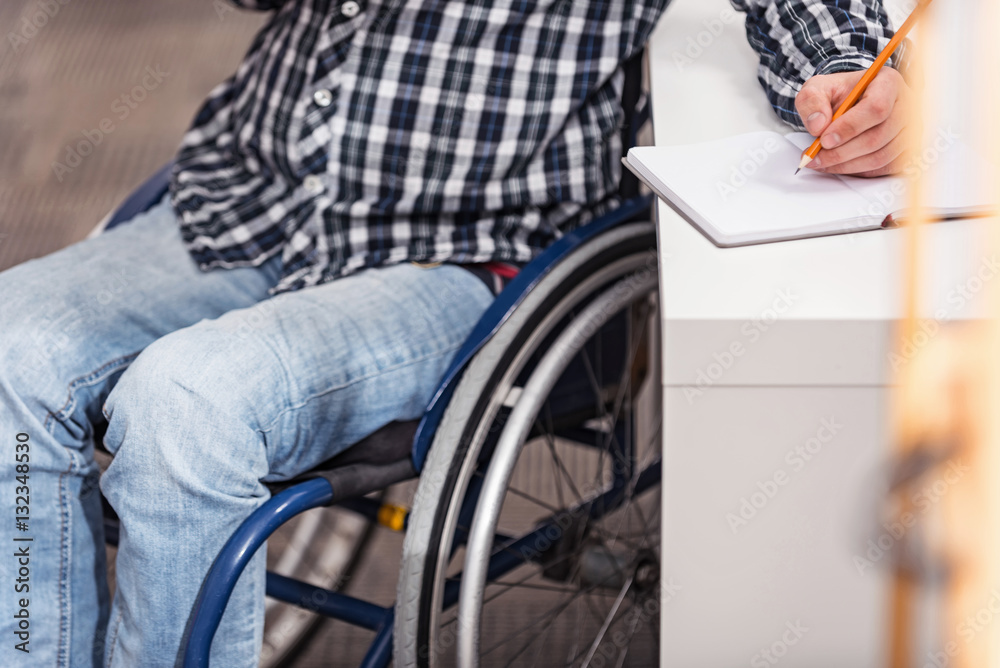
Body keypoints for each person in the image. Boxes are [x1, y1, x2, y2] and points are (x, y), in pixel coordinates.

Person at [0, 0, 910, 665]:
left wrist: (845, 78)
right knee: (14, 348)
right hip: (254, 196)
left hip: (462, 246)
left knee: (187, 400)